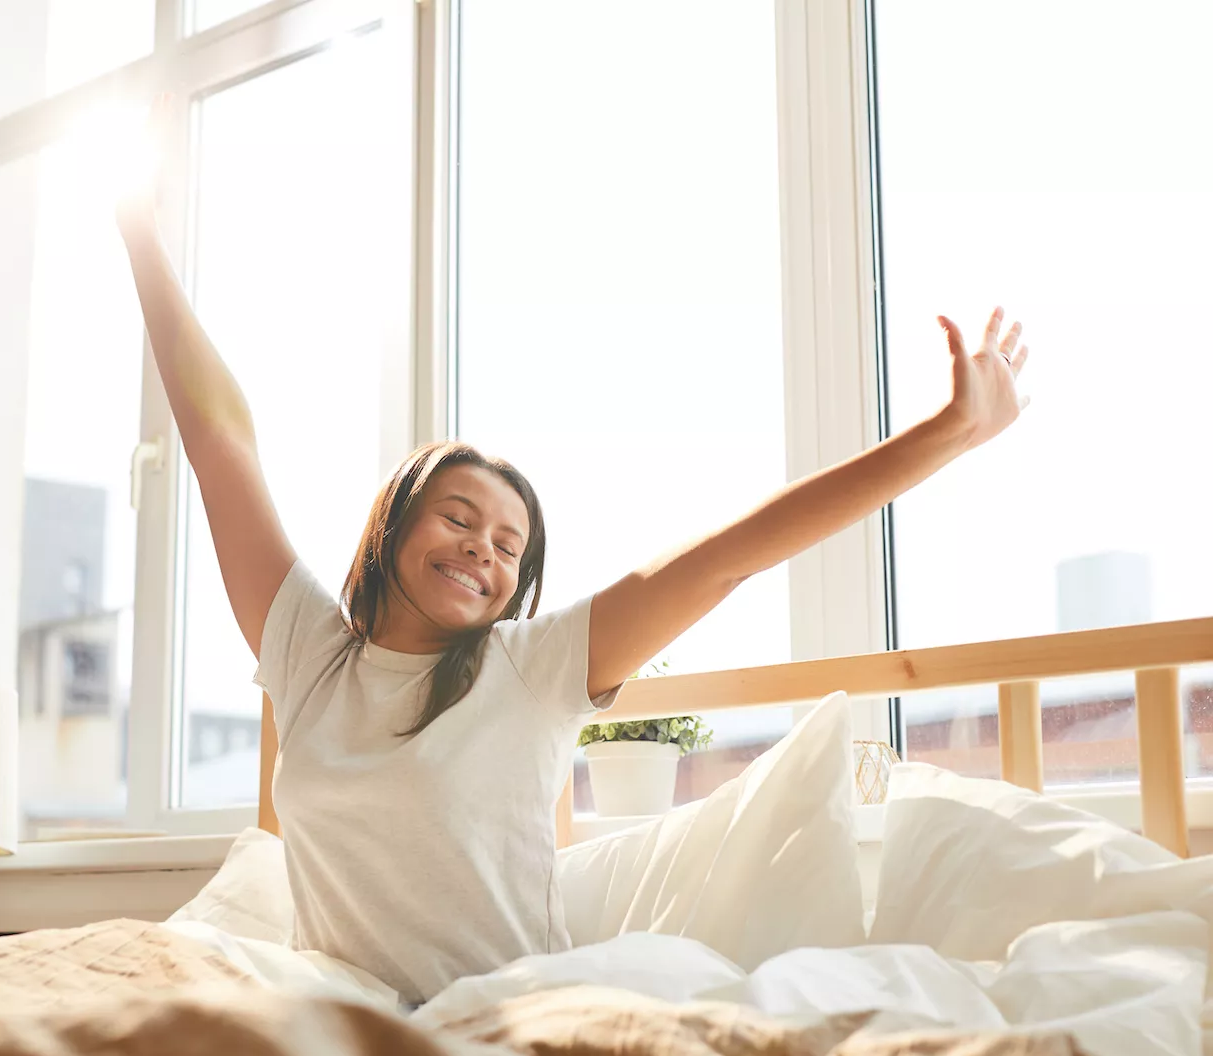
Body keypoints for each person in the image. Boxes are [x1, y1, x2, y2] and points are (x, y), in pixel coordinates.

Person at [115, 151, 1030, 1006]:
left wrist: (946, 434)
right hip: (346, 1022)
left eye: (511, 547)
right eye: (461, 518)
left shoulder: (532, 666)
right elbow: (218, 438)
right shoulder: (307, 654)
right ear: (394, 524)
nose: (485, 550)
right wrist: (141, 236)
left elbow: (728, 559)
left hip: (504, 1018)